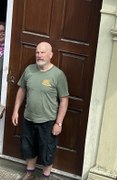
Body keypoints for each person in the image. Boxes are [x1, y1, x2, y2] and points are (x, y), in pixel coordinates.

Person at [11, 42, 69, 180]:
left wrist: (58, 123)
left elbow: (64, 100)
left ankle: (45, 176)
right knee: (28, 147)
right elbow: (22, 89)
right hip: (28, 118)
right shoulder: (29, 70)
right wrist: (15, 111)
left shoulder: (58, 75)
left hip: (48, 121)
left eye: (42, 52)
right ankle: (30, 173)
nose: (39, 55)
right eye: (37, 52)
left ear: (50, 55)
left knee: (47, 151)